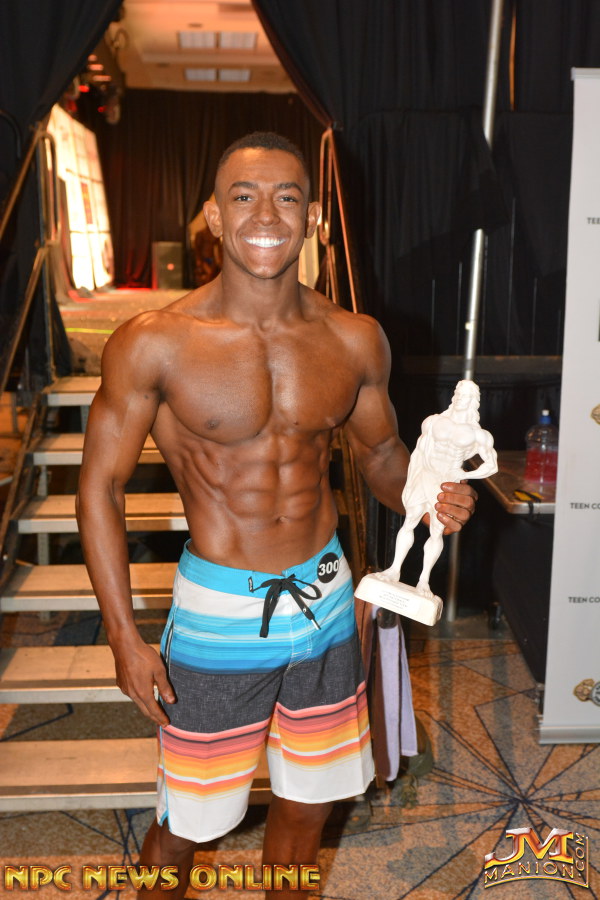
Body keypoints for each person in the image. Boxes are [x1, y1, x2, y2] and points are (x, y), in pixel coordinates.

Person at [76, 132, 477, 898]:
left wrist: (426, 493)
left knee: (309, 806)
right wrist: (123, 635)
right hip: (219, 615)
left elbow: (381, 456)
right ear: (213, 217)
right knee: (189, 823)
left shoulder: (354, 339)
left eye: (287, 197)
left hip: (326, 601)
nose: (266, 215)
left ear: (313, 218)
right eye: (244, 196)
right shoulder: (155, 343)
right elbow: (100, 487)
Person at [383, 379, 497, 595]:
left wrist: (466, 474)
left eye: (466, 396)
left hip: (445, 480)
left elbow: (491, 465)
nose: (461, 399)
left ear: (473, 401)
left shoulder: (478, 434)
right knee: (409, 522)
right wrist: (412, 479)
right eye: (458, 393)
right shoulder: (433, 422)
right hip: (425, 474)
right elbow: (419, 451)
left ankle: (424, 580)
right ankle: (394, 569)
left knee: (436, 531)